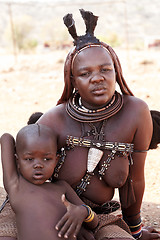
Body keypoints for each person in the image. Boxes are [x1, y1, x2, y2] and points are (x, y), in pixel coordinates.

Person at [0, 9, 160, 240]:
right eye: (85, 73)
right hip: (46, 212)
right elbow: (23, 171)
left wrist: (134, 230)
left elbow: (135, 179)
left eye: (106, 69)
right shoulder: (54, 120)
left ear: (117, 72)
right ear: (72, 80)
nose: (97, 78)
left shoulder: (136, 112)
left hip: (97, 217)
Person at [1, 124, 98, 240]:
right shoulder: (16, 185)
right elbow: (6, 138)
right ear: (17, 161)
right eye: (29, 159)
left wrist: (83, 212)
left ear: (56, 160)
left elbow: (94, 223)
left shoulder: (62, 187)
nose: (38, 165)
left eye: (47, 159)